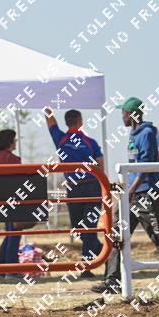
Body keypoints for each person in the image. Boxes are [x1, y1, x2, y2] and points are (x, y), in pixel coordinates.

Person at [91, 97, 159, 293]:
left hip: (145, 195)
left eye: (123, 113)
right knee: (116, 233)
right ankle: (112, 281)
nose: (121, 117)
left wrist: (130, 190)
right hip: (132, 194)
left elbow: (146, 165)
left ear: (131, 114)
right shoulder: (133, 134)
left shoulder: (147, 133)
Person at [45, 108, 104, 277]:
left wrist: (46, 106)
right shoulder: (90, 142)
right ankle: (105, 251)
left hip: (75, 187)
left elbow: (50, 122)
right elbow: (100, 165)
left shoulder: (60, 139)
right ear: (80, 122)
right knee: (85, 229)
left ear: (66, 122)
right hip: (91, 186)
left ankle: (87, 266)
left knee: (82, 229)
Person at [0, 129, 22, 277]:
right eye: (14, 139)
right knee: (14, 233)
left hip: (1, 200)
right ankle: (11, 269)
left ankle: (1, 267)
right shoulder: (12, 159)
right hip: (13, 200)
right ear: (10, 141)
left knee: (10, 233)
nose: (16, 142)